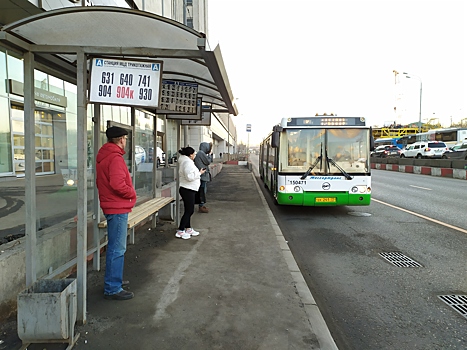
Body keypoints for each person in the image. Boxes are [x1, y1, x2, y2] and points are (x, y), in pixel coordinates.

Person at [96, 126, 136, 301]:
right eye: (125, 139)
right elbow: (118, 185)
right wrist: (132, 193)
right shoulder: (115, 158)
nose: (125, 141)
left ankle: (115, 280)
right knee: (117, 248)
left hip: (112, 206)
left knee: (115, 247)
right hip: (117, 208)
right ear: (121, 139)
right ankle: (113, 287)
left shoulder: (104, 156)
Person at [177, 147, 206, 239]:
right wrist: (199, 173)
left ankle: (188, 228)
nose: (195, 155)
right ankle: (180, 230)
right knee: (189, 210)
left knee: (188, 209)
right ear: (190, 155)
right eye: (194, 154)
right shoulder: (187, 163)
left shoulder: (185, 162)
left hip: (188, 189)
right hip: (188, 189)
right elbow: (189, 177)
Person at [194, 142, 212, 213]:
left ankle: (201, 205)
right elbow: (208, 162)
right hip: (202, 175)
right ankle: (201, 206)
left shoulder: (200, 153)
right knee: (202, 191)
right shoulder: (201, 153)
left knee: (202, 190)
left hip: (202, 174)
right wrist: (210, 155)